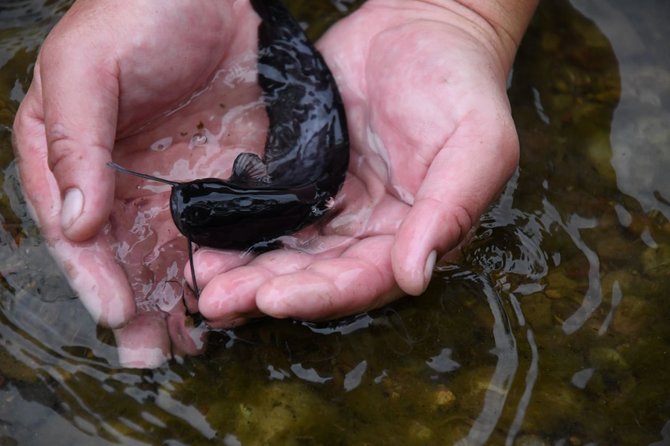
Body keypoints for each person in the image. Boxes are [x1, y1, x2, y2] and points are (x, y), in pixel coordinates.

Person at [12, 0, 538, 367]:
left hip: (310, 137)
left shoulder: (292, 191)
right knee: (287, 59)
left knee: (285, 53)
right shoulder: (291, 189)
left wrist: (466, 11)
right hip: (309, 141)